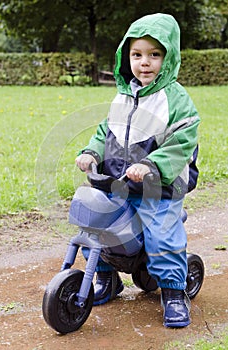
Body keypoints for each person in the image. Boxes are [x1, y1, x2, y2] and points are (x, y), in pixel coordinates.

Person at [75, 13, 200, 328]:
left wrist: (150, 164)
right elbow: (107, 131)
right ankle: (105, 278)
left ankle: (173, 291)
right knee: (101, 222)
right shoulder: (123, 94)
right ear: (125, 56)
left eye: (155, 54)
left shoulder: (175, 100)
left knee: (161, 234)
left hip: (160, 187)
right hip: (121, 182)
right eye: (137, 54)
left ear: (169, 57)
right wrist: (91, 152)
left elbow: (184, 139)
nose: (145, 62)